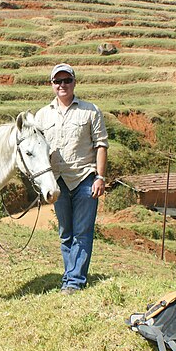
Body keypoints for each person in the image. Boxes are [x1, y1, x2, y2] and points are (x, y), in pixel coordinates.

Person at [35, 63, 109, 294]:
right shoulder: (42, 115)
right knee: (65, 232)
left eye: (67, 80)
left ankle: (74, 281)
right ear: (52, 85)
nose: (62, 85)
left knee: (83, 231)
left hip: (85, 178)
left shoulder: (90, 111)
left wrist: (100, 177)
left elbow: (101, 145)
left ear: (74, 82)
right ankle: (70, 276)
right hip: (57, 181)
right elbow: (36, 149)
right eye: (58, 81)